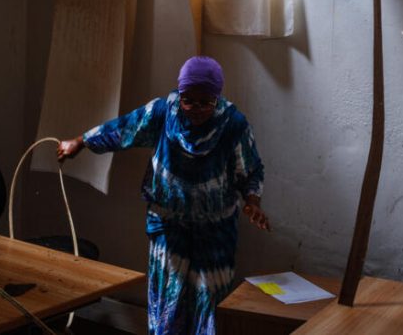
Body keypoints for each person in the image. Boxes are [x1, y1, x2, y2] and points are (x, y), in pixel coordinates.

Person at [57, 55, 269, 335]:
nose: (196, 109)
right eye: (188, 100)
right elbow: (124, 129)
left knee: (210, 309)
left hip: (215, 235)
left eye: (205, 102)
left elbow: (251, 170)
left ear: (217, 97)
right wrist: (81, 142)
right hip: (168, 229)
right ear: (179, 94)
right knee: (167, 306)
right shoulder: (163, 112)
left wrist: (253, 202)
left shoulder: (233, 125)